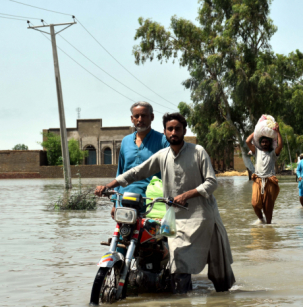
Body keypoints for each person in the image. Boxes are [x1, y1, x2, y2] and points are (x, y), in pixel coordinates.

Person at [95, 112, 235, 294]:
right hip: (176, 219)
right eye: (170, 129)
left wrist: (187, 195)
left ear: (184, 130)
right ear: (165, 132)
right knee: (179, 264)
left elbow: (211, 182)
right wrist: (109, 185)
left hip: (203, 217)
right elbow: (136, 172)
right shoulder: (163, 155)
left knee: (219, 270)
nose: (173, 132)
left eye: (177, 128)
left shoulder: (198, 152)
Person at [113, 101, 170, 218]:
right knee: (122, 234)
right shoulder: (125, 141)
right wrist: (114, 202)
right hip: (125, 199)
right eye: (136, 116)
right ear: (132, 118)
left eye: (144, 116)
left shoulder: (163, 141)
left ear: (152, 117)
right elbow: (120, 171)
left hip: (152, 200)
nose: (140, 119)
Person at [245, 128, 283, 224]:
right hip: (258, 180)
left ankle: (268, 228)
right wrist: (257, 131)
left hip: (270, 181)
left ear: (270, 143)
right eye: (262, 142)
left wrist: (278, 132)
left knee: (268, 207)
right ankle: (261, 219)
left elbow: (280, 145)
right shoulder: (257, 152)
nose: (264, 143)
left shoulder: (273, 153)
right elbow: (247, 141)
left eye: (266, 142)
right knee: (254, 203)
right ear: (260, 143)